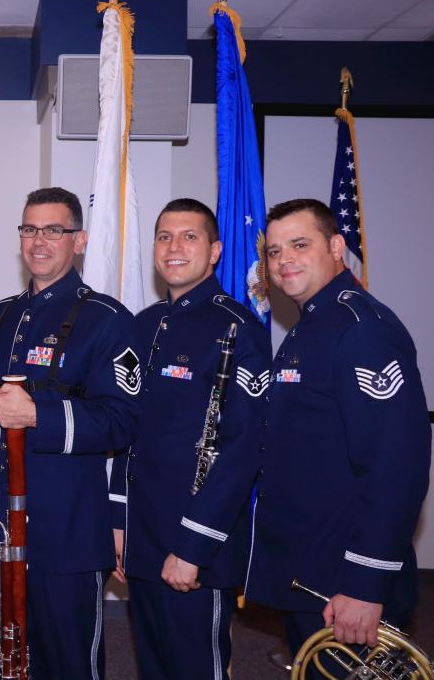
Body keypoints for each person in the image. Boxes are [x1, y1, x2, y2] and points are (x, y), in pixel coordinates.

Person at [0, 187, 142, 680]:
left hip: (69, 528)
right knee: (9, 659)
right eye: (29, 228)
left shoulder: (107, 321)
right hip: (2, 525)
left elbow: (124, 421)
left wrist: (39, 414)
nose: (39, 240)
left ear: (79, 240)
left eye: (53, 230)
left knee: (68, 664)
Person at [246, 199, 430, 670]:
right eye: (274, 251)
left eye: (300, 245)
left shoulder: (360, 330)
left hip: (344, 582)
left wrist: (366, 585)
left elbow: (395, 468)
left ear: (335, 246)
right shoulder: (311, 327)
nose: (284, 259)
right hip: (311, 572)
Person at [108, 199, 270, 679]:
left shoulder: (238, 329)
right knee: (154, 667)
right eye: (164, 236)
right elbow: (125, 428)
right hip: (143, 537)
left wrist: (194, 548)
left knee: (196, 668)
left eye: (189, 236)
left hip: (196, 544)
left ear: (216, 250)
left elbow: (243, 451)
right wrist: (119, 523)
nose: (174, 247)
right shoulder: (141, 325)